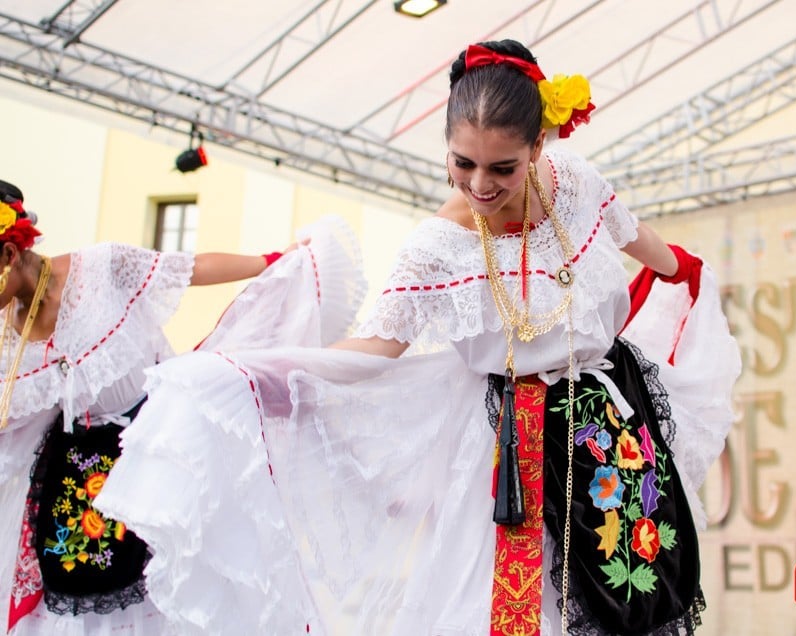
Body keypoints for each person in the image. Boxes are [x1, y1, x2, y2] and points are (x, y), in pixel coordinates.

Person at [94, 39, 741, 635]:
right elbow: (377, 347)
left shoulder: (576, 185)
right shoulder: (436, 247)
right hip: (514, 451)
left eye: (503, 168)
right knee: (516, 612)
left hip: (608, 429)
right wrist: (261, 376)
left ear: (540, 148)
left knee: (629, 595)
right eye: (463, 164)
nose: (480, 185)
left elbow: (635, 237)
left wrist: (682, 272)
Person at [0, 178, 333, 636]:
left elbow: (189, 268)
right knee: (76, 593)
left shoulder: (100, 269)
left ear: (8, 255)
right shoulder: (6, 333)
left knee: (172, 577)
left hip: (154, 448)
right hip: (76, 476)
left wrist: (273, 261)